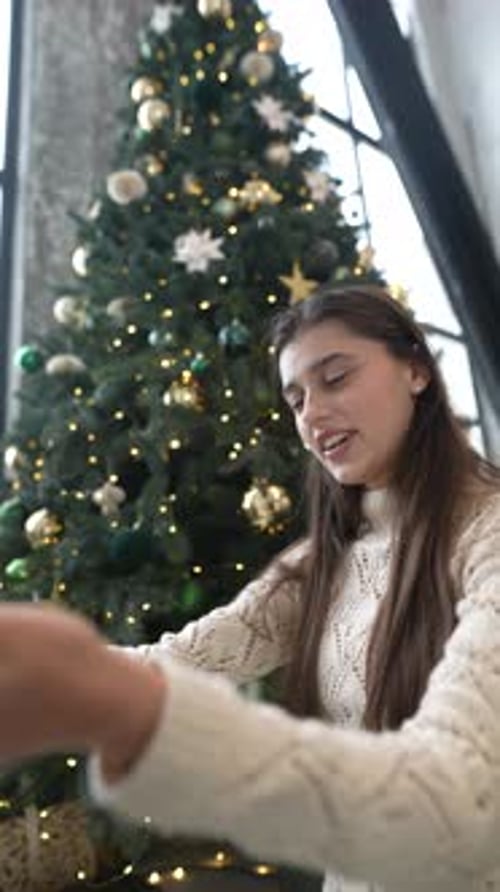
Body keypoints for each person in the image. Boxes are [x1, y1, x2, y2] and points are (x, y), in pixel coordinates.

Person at [1, 284, 500, 892]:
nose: (312, 415)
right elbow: (183, 656)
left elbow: (458, 804)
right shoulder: (321, 561)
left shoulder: (488, 535)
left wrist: (128, 710)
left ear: (416, 370)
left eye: (336, 378)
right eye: (296, 399)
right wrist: (54, 674)